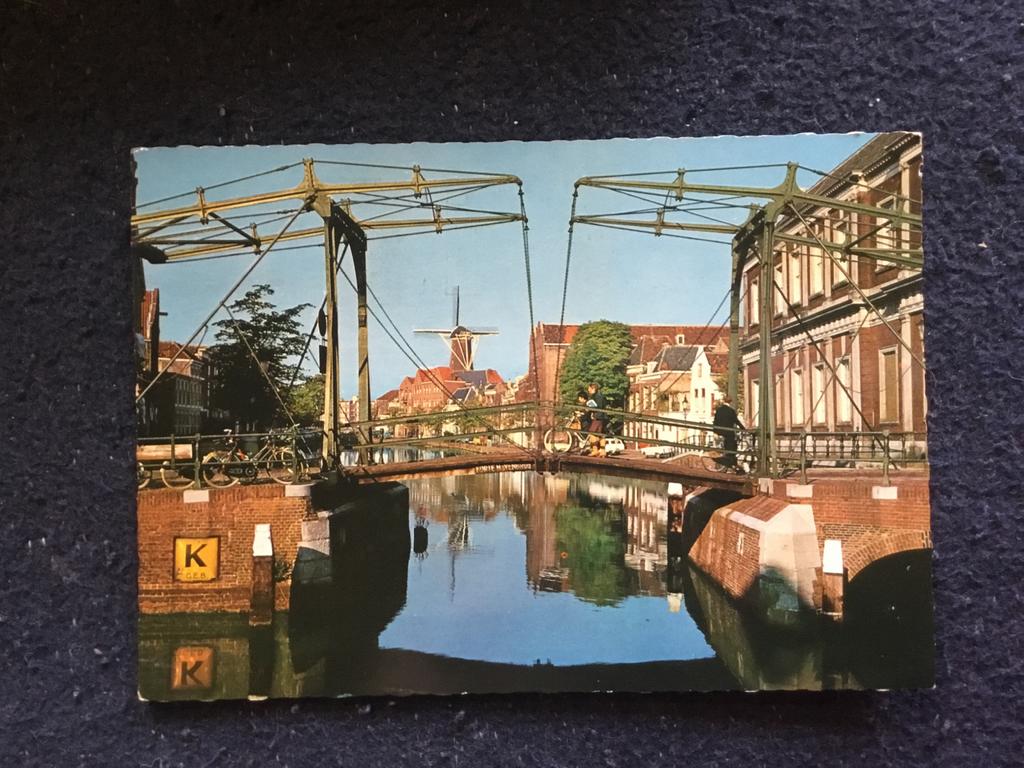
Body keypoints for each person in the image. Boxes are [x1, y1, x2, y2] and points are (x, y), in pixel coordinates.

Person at [712, 395, 744, 471]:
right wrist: (743, 429)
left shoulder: (719, 410)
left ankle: (721, 464)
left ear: (723, 401)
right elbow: (736, 421)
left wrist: (715, 432)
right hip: (728, 433)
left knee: (720, 448)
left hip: (719, 432)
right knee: (732, 447)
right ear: (731, 402)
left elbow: (715, 421)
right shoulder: (731, 411)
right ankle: (731, 464)